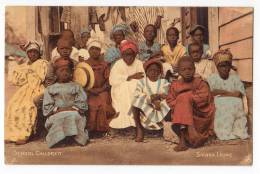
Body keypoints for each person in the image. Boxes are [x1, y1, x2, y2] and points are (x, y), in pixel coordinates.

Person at [166, 56, 215, 152]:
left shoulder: (200, 83)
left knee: (184, 98)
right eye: (183, 69)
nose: (187, 72)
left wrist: (188, 99)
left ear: (194, 69)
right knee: (182, 99)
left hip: (198, 113)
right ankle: (183, 139)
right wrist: (181, 103)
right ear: (179, 72)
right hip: (181, 113)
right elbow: (170, 100)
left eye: (190, 69)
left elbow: (204, 98)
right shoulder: (175, 84)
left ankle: (188, 137)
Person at [5, 41, 48, 145]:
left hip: (37, 88)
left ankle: (24, 134)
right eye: (30, 52)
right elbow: (17, 80)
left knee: (28, 106)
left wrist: (30, 73)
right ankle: (12, 134)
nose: (32, 54)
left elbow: (40, 77)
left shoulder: (42, 63)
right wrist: (25, 72)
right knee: (13, 104)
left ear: (39, 54)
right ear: (27, 54)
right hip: (25, 89)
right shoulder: (24, 65)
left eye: (35, 52)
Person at [42, 57, 89, 148]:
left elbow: (82, 103)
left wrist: (73, 108)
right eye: (61, 70)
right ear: (56, 73)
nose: (65, 73)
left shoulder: (76, 86)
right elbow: (47, 107)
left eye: (67, 70)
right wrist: (58, 110)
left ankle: (75, 138)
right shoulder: (50, 88)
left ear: (71, 73)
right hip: (56, 112)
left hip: (74, 110)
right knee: (60, 117)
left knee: (74, 116)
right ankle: (59, 139)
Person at [207, 49, 249, 141]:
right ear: (217, 67)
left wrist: (221, 92)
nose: (225, 68)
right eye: (222, 66)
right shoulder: (212, 78)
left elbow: (238, 93)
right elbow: (211, 93)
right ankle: (222, 132)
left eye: (227, 66)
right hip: (218, 103)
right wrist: (228, 93)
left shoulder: (235, 78)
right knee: (221, 104)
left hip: (234, 103)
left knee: (236, 103)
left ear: (230, 67)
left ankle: (236, 131)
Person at [131, 59, 170, 142]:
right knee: (135, 102)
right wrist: (150, 98)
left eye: (156, 71)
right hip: (147, 108)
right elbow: (137, 94)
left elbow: (165, 93)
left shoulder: (164, 81)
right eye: (151, 70)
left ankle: (166, 129)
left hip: (160, 107)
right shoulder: (141, 82)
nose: (153, 72)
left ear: (160, 72)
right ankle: (139, 129)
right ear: (146, 72)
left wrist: (158, 97)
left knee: (169, 102)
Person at [109, 40, 145, 129]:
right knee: (126, 86)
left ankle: (135, 119)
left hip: (135, 92)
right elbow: (112, 80)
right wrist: (130, 77)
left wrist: (131, 81)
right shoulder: (118, 64)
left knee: (133, 85)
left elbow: (143, 79)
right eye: (126, 55)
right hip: (119, 92)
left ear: (135, 55)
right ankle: (126, 118)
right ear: (122, 55)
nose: (129, 57)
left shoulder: (139, 63)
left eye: (131, 55)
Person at [85, 39, 116, 137]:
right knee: (91, 104)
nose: (94, 51)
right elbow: (80, 81)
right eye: (92, 49)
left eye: (97, 49)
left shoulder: (104, 64)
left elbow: (108, 81)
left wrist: (101, 89)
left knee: (103, 103)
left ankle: (102, 129)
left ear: (100, 51)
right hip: (88, 91)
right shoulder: (84, 64)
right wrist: (90, 90)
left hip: (102, 90)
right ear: (88, 50)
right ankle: (91, 129)